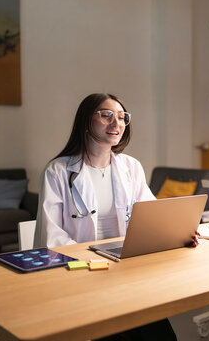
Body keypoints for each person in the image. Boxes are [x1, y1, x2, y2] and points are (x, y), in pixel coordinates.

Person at [33, 93, 179, 341]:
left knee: (162, 336)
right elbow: (52, 238)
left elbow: (151, 217)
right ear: (86, 122)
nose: (116, 123)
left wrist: (177, 232)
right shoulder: (58, 171)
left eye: (122, 117)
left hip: (127, 273)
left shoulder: (131, 167)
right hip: (82, 275)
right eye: (106, 115)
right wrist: (97, 262)